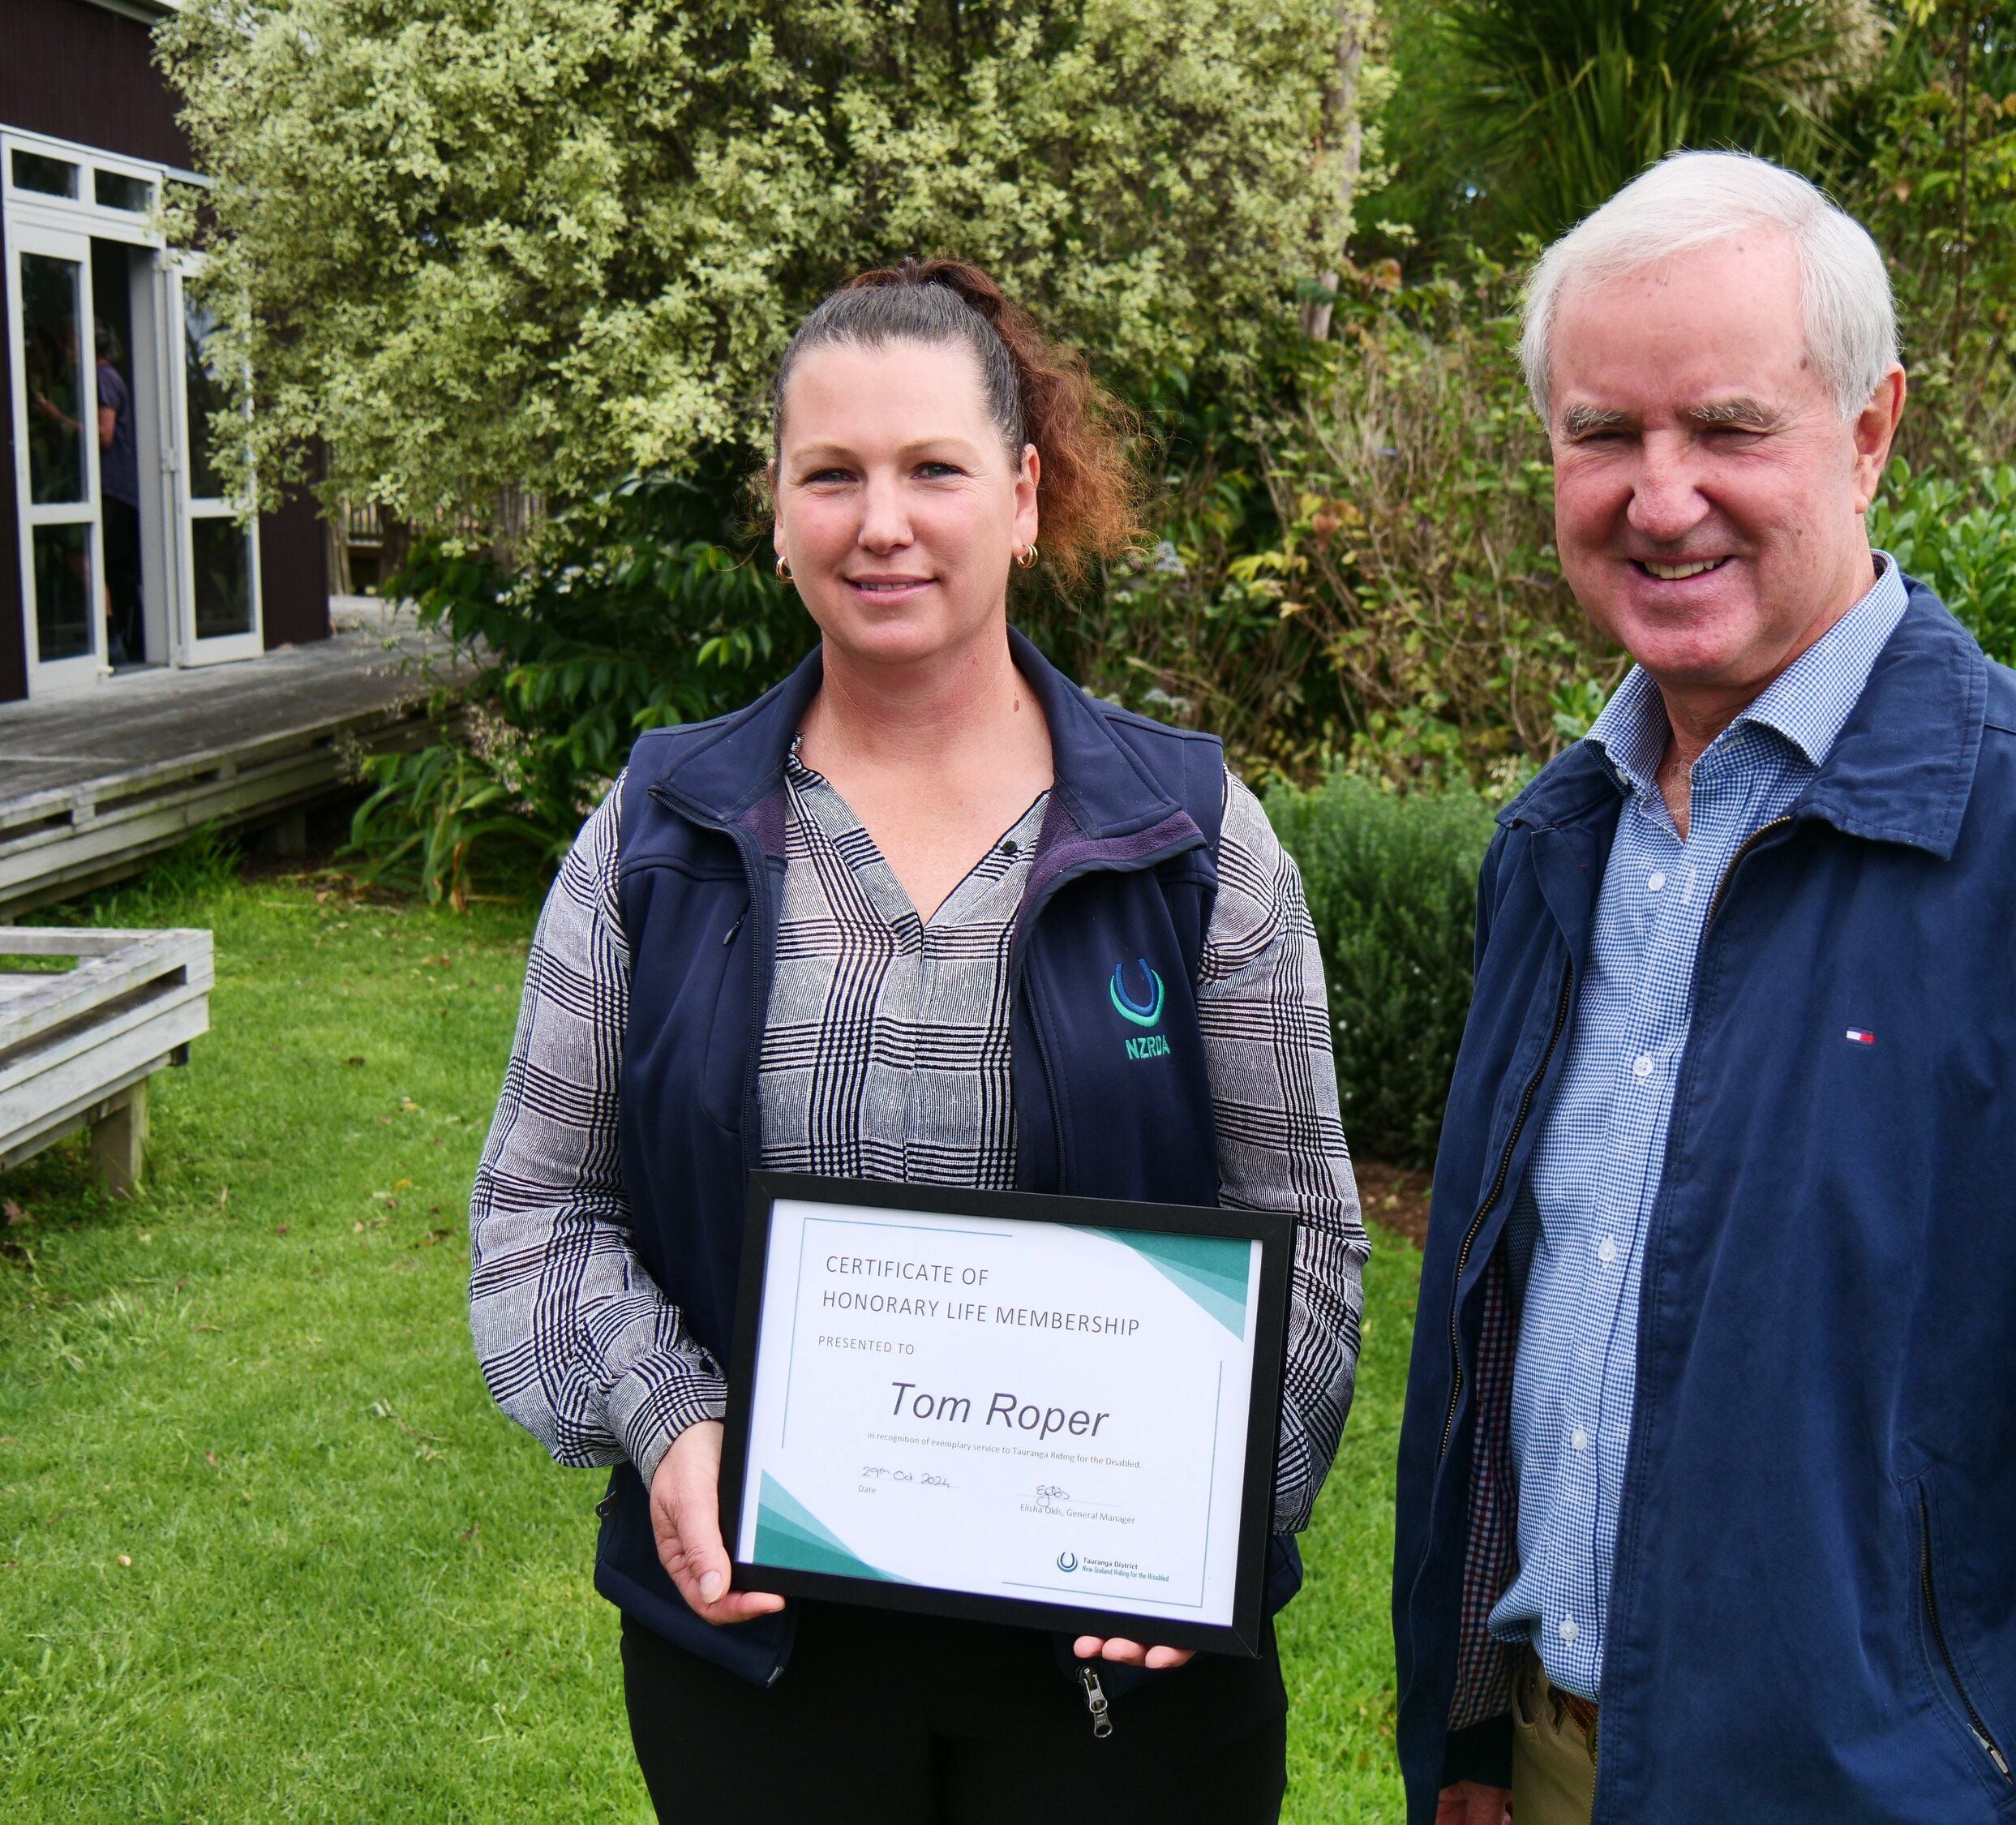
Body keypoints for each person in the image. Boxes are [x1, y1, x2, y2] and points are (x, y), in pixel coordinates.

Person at [1392, 151, 2016, 1825]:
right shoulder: (1559, 844)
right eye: (1604, 433)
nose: (1661, 494)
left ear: (1871, 430)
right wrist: (1480, 1734)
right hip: (1550, 1772)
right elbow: (1505, 1334)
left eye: (1730, 427)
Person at [470, 259, 1368, 1823]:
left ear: (1022, 498)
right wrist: (669, 1418)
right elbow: (538, 1212)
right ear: (777, 510)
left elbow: (1309, 1234)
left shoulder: (1188, 833)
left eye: (934, 469)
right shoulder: (660, 829)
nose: (882, 522)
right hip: (759, 1658)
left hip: (1122, 1675)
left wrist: (1203, 1516)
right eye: (833, 474)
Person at [96, 324, 144, 665]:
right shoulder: (112, 377)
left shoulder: (103, 379)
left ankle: (119, 640)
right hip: (120, 487)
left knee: (108, 566)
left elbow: (104, 435)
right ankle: (133, 644)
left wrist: (60, 420)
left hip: (111, 486)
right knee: (119, 570)